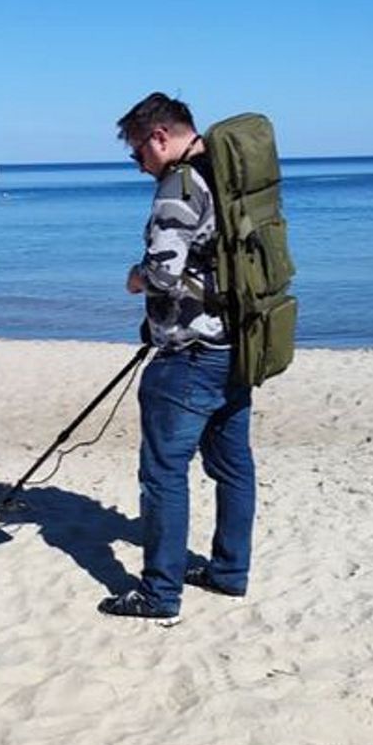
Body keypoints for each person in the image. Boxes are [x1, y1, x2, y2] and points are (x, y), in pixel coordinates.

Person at [98, 93, 256, 620]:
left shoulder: (179, 186)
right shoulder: (227, 176)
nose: (138, 163)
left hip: (188, 357)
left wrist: (134, 278)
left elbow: (164, 273)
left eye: (137, 151)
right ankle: (229, 572)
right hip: (237, 345)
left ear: (160, 136)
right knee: (233, 468)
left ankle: (159, 594)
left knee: (163, 474)